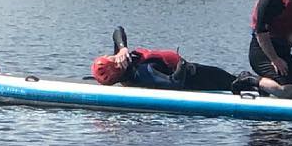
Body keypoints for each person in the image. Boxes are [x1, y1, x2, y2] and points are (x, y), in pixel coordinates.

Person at [92, 26, 239, 92]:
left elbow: (118, 30)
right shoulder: (143, 72)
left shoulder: (124, 60)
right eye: (110, 58)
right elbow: (175, 83)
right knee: (235, 82)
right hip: (198, 77)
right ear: (116, 65)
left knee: (235, 80)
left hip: (195, 73)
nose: (109, 55)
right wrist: (181, 64)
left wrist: (122, 47)